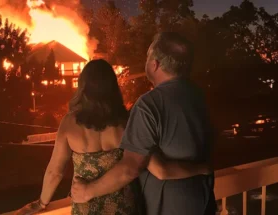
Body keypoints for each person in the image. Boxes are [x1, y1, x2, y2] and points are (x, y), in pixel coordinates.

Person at [15, 59, 209, 215]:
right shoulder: (127, 122)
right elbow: (160, 170)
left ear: (83, 87)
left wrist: (41, 203)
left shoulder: (69, 123)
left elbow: (54, 172)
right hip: (125, 208)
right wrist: (201, 168)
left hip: (86, 208)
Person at [71, 33, 217, 215]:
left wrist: (87, 192)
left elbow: (132, 168)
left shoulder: (149, 105)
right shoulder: (199, 95)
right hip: (203, 201)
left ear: (154, 64)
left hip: (169, 207)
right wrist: (202, 168)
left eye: (147, 58)